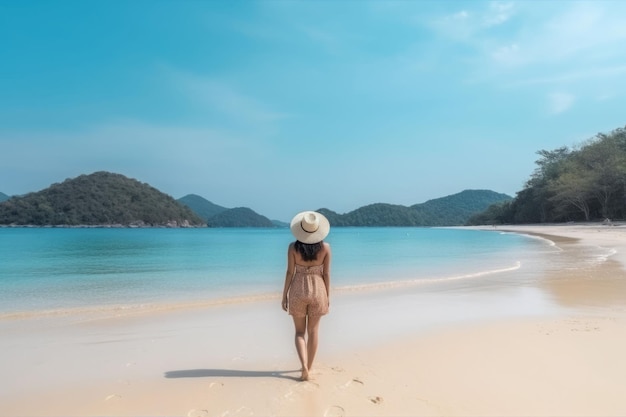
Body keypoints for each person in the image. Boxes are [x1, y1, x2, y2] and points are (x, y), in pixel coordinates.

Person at [282, 211, 331, 381]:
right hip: (318, 290)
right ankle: (309, 367)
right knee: (314, 331)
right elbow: (326, 274)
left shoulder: (292, 248)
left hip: (297, 290)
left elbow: (289, 272)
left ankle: (303, 366)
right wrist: (327, 296)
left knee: (299, 333)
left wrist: (284, 295)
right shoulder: (326, 248)